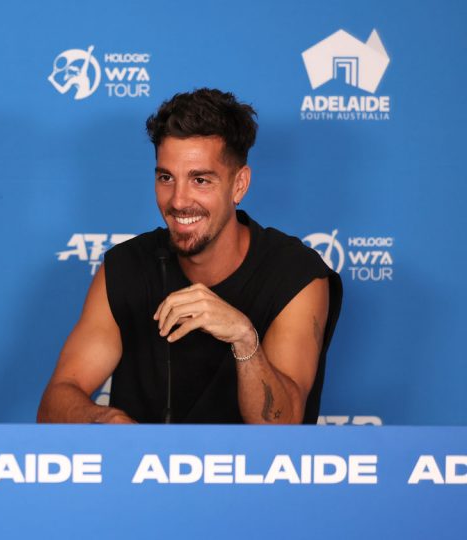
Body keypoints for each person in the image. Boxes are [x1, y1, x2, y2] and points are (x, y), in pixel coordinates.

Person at [38, 88, 342, 424]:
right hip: (142, 472)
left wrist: (244, 338)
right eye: (166, 178)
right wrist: (103, 421)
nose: (179, 200)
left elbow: (284, 425)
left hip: (249, 475)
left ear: (239, 185)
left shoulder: (295, 274)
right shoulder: (126, 267)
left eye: (200, 180)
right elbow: (56, 400)